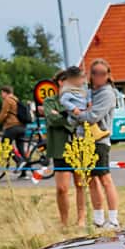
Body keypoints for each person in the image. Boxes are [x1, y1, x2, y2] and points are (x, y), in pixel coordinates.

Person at [44, 65, 87, 227]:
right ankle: (64, 221)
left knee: (80, 183)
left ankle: (81, 219)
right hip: (60, 148)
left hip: (79, 146)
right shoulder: (50, 101)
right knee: (62, 188)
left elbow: (84, 117)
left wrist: (64, 116)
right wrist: (70, 118)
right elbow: (51, 119)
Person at [86, 59, 123, 229]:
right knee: (91, 179)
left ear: (108, 75)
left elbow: (94, 116)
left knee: (105, 178)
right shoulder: (87, 92)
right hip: (84, 140)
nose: (98, 77)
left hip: (100, 141)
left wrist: (78, 114)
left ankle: (113, 218)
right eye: (95, 73)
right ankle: (98, 218)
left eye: (102, 73)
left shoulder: (108, 94)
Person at [0, 85, 28, 162]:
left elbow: (3, 114)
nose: (1, 95)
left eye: (1, 93)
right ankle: (25, 170)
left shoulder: (7, 100)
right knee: (21, 149)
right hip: (22, 127)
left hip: (12, 126)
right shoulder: (16, 99)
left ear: (5, 92)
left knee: (4, 146)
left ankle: (18, 161)